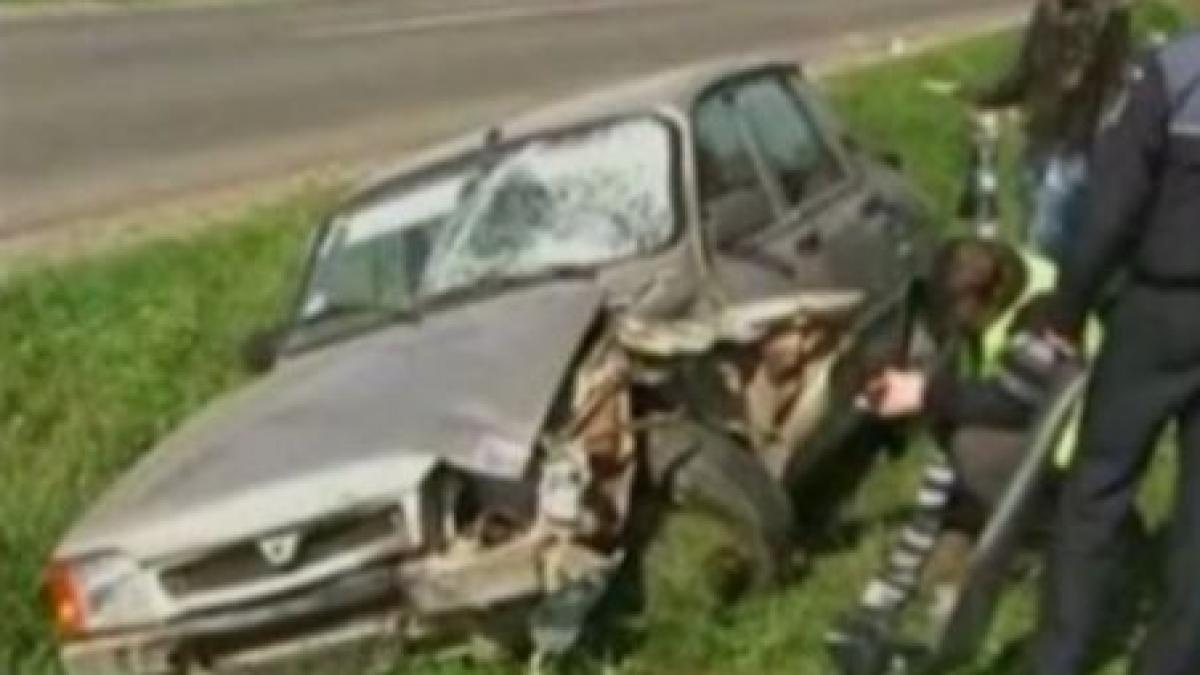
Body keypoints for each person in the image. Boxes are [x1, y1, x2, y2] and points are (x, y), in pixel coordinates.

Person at [825, 238, 1081, 675]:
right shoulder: (1003, 281)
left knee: (971, 446)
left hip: (1079, 459)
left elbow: (1014, 401)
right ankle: (955, 544)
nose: (952, 326)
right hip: (1043, 433)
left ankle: (1053, 534)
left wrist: (923, 394)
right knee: (953, 417)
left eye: (956, 314)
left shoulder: (1044, 311)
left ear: (984, 298)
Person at [1029, 26, 1200, 675]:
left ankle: (1059, 656)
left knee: (1098, 485)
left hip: (1161, 310)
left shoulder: (1176, 69)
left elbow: (1110, 209)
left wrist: (1067, 308)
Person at [967, 0, 1131, 262]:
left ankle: (1054, 291)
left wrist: (1098, 137)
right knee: (1033, 222)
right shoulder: (1047, 11)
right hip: (1040, 136)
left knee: (1050, 233)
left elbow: (1115, 86)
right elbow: (1025, 71)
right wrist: (988, 97)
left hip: (1076, 145)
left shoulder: (1109, 17)